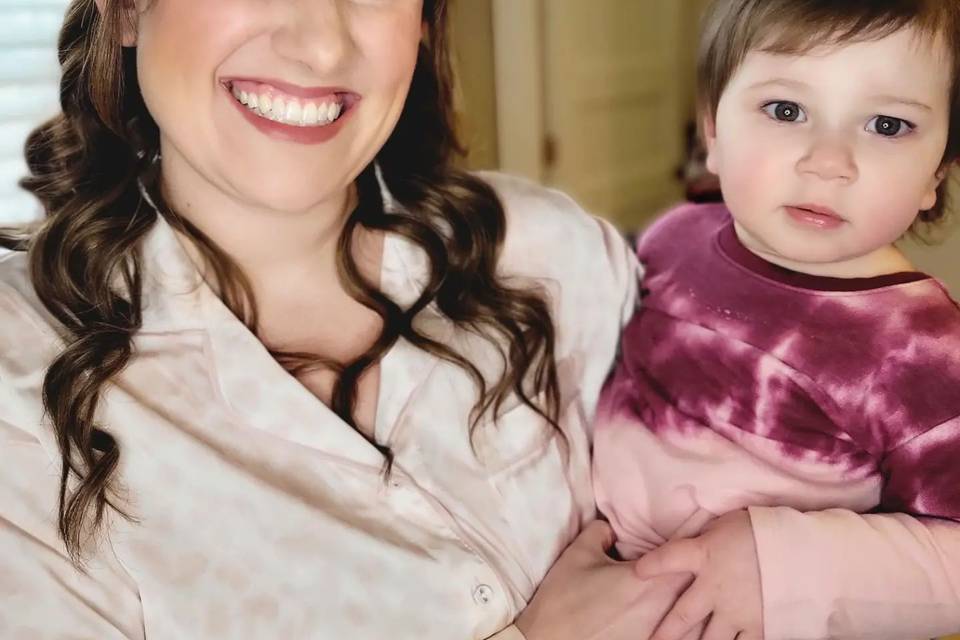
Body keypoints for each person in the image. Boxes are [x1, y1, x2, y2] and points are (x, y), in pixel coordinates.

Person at [0, 1, 682, 638]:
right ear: (125, 9)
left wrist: (747, 552)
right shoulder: (18, 386)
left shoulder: (548, 256)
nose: (322, 46)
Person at [594, 1, 960, 639]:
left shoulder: (922, 353)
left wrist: (782, 567)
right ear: (713, 131)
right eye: (786, 110)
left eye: (887, 124)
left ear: (937, 174)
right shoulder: (669, 242)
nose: (829, 160)